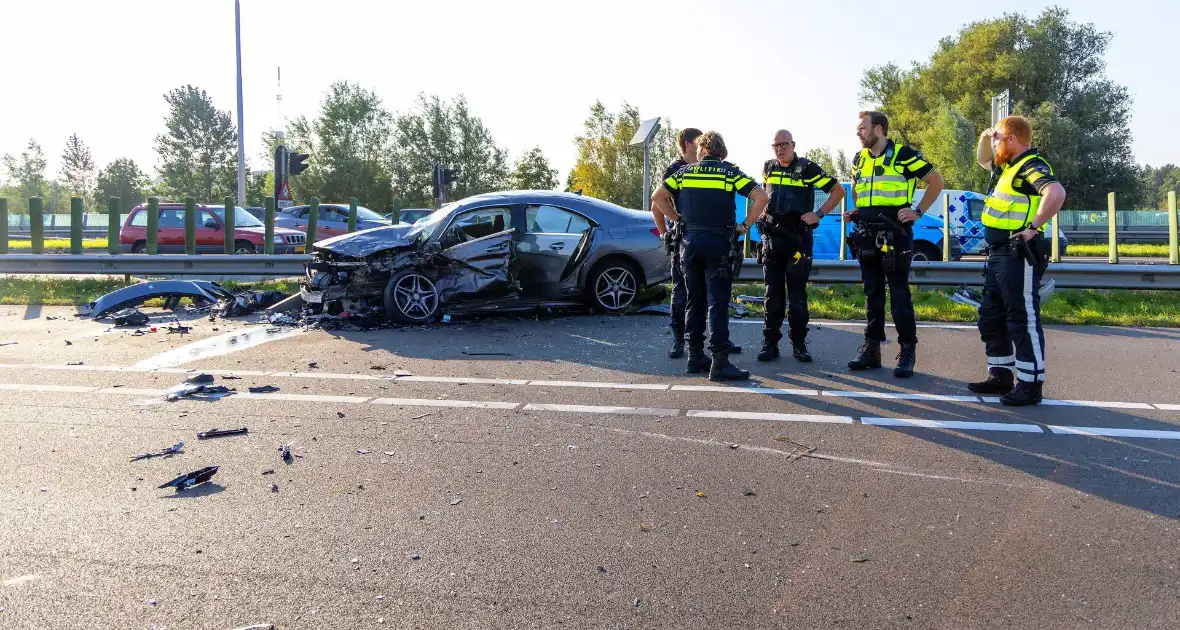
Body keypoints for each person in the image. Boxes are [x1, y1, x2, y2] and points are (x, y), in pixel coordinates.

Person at [967, 115, 1067, 406]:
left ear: (1012, 139)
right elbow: (983, 159)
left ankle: (1030, 384)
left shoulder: (1030, 166)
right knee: (991, 316)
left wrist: (1033, 227)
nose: (994, 143)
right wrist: (987, 137)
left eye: (998, 137)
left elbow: (1056, 192)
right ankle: (1000, 376)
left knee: (1022, 320)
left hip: (1017, 254)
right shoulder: (1007, 168)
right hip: (998, 255)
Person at [652, 132, 768, 381]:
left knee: (694, 302)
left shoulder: (684, 173)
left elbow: (657, 198)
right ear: (721, 152)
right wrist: (744, 225)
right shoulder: (729, 173)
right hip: (718, 246)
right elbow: (761, 197)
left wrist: (677, 220)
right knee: (717, 303)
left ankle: (695, 357)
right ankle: (720, 362)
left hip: (689, 246)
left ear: (702, 150)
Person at [845, 111, 944, 378]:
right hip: (866, 233)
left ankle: (907, 352)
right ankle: (872, 350)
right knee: (872, 294)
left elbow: (936, 181)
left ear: (878, 129)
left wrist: (918, 212)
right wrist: (858, 210)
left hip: (895, 233)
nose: (858, 132)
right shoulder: (859, 159)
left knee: (899, 295)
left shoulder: (903, 154)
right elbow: (857, 189)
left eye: (862, 128)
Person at [756, 130, 845, 363]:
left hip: (798, 239)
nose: (779, 149)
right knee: (772, 295)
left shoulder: (807, 168)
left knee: (797, 297)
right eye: (775, 145)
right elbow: (766, 196)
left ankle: (799, 345)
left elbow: (838, 191)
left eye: (784, 144)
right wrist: (762, 215)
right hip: (773, 239)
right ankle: (770, 344)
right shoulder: (768, 167)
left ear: (793, 145)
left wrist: (819, 214)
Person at [652, 128, 702, 359]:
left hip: (704, 238)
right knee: (681, 292)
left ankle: (711, 341)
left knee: (709, 293)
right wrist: (669, 231)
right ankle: (679, 339)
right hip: (683, 240)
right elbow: (656, 205)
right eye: (700, 142)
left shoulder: (705, 167)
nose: (704, 146)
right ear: (689, 143)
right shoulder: (673, 171)